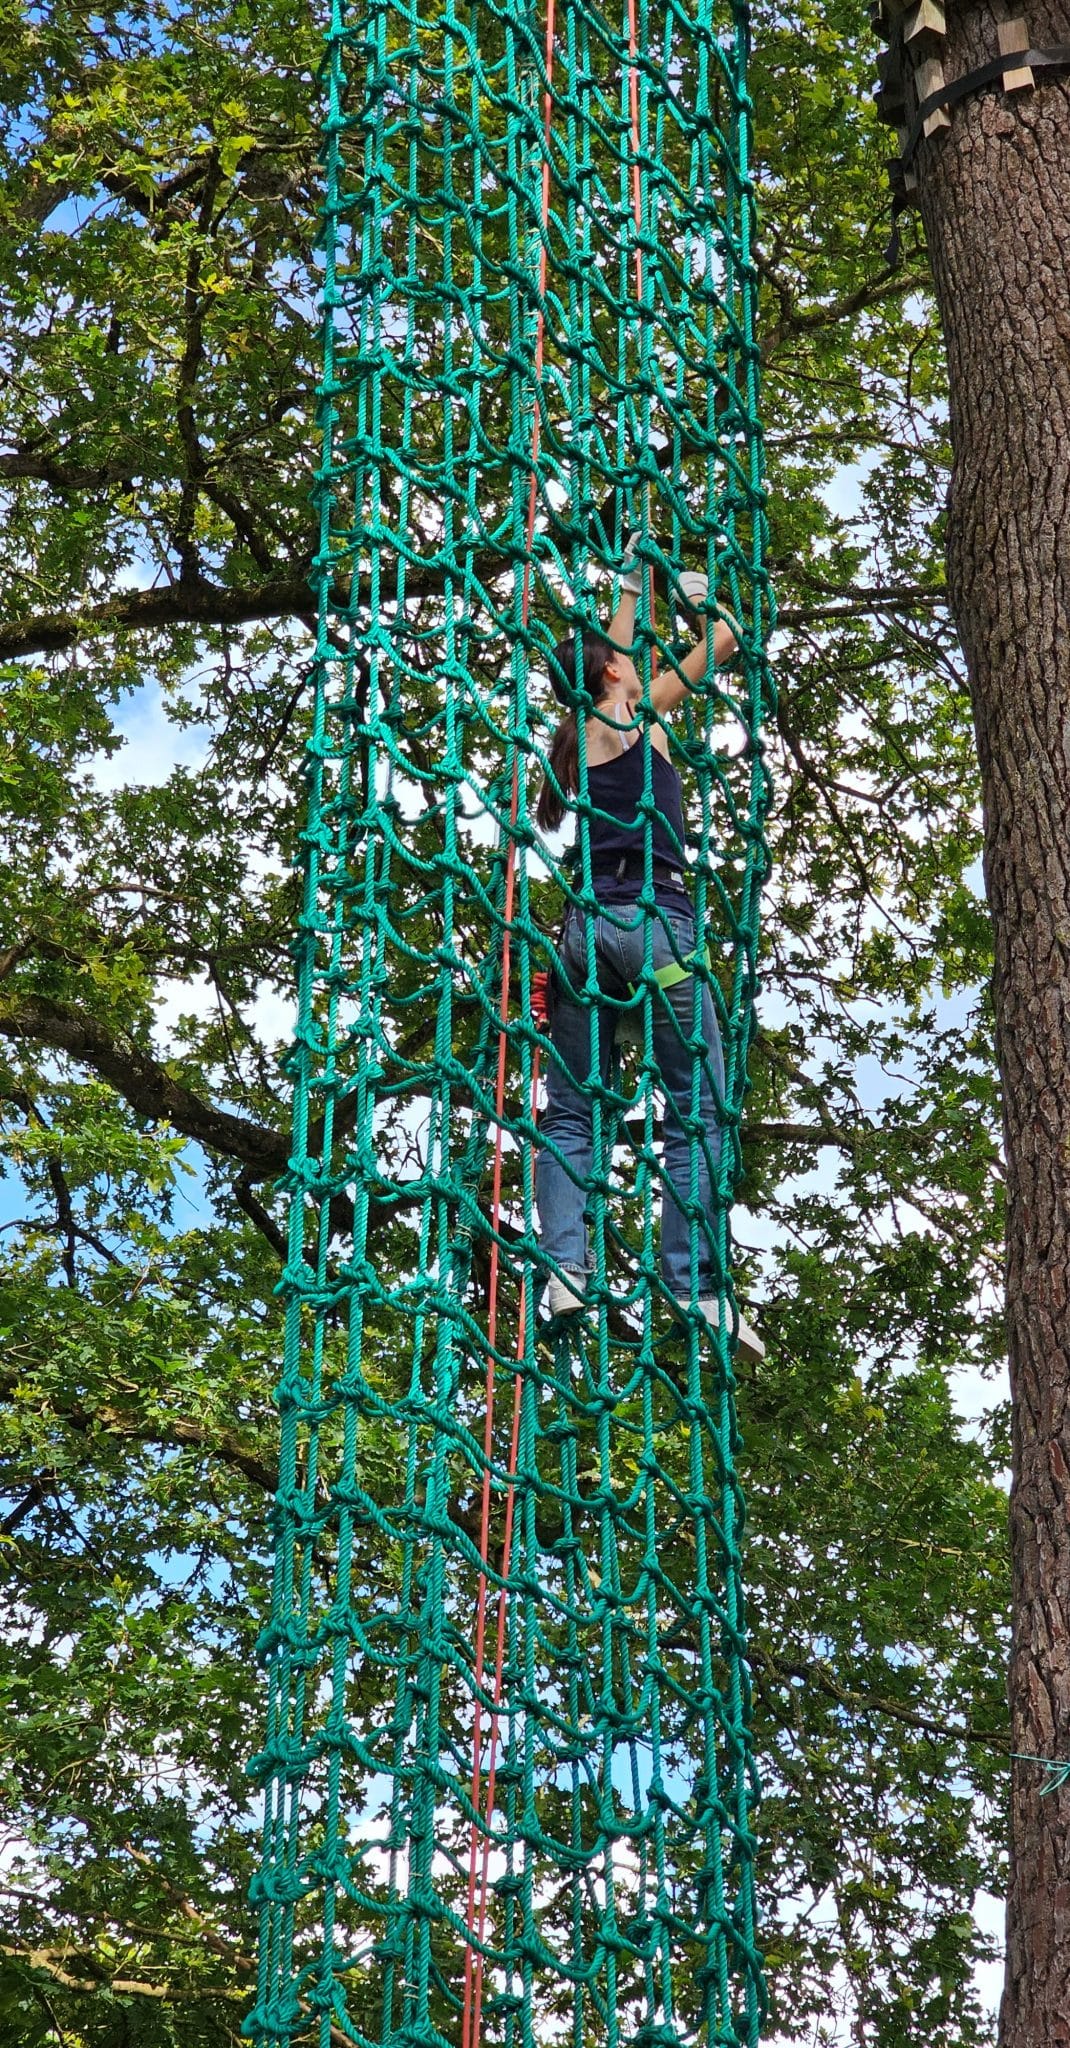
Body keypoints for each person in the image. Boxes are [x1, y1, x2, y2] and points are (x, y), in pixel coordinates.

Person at [533, 541, 764, 1364]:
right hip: (654, 922)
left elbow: (678, 641)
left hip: (585, 936)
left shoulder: (604, 731)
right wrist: (675, 594)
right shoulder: (625, 717)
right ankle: (693, 1283)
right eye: (623, 661)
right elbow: (722, 640)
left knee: (569, 1113)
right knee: (696, 1108)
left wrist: (653, 589)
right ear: (611, 678)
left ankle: (564, 1269)